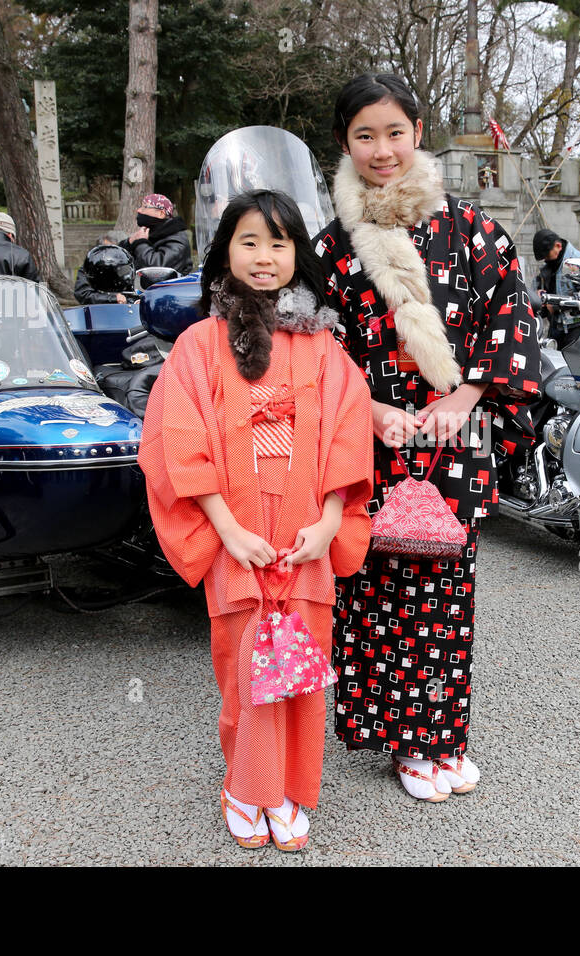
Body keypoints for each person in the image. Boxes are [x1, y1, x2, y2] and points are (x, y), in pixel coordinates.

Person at [315, 73, 542, 803]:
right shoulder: (328, 247)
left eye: (394, 132)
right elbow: (316, 346)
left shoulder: (473, 230)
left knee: (446, 592)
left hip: (452, 437)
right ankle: (399, 740)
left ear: (417, 131)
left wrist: (469, 393)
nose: (381, 149)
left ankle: (442, 737)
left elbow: (511, 315)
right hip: (370, 439)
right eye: (364, 135)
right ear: (345, 142)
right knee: (375, 591)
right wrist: (368, 408)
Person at [138, 189, 374, 851]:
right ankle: (247, 788)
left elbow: (348, 435)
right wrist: (224, 529)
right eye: (249, 241)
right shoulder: (198, 344)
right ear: (224, 252)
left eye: (278, 242)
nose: (265, 257)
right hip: (234, 524)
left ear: (297, 253)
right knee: (245, 662)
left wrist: (331, 521)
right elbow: (178, 437)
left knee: (301, 658)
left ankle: (289, 789)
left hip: (307, 527)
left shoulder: (324, 347)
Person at [121, 193, 192, 275]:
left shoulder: (177, 240)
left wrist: (141, 243)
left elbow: (157, 269)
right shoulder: (152, 234)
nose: (139, 210)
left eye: (145, 207)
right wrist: (129, 243)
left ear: (161, 213)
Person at [74, 234, 133, 305]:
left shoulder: (121, 269)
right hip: (97, 310)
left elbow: (129, 292)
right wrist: (113, 298)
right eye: (109, 251)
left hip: (121, 310)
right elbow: (83, 294)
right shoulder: (88, 269)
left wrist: (133, 301)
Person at [532, 228, 580, 296]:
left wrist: (556, 303)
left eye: (547, 256)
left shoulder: (579, 263)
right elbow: (533, 289)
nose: (545, 260)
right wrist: (536, 294)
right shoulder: (549, 263)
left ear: (558, 246)